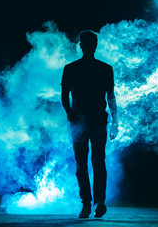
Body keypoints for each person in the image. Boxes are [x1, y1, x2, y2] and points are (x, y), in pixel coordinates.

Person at [61, 30, 118, 218]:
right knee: (95, 163)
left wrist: (69, 112)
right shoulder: (103, 68)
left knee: (85, 164)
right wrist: (115, 120)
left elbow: (64, 95)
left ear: (82, 46)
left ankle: (90, 203)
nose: (89, 46)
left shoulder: (72, 68)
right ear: (93, 45)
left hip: (88, 120)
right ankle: (93, 202)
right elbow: (110, 97)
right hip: (89, 120)